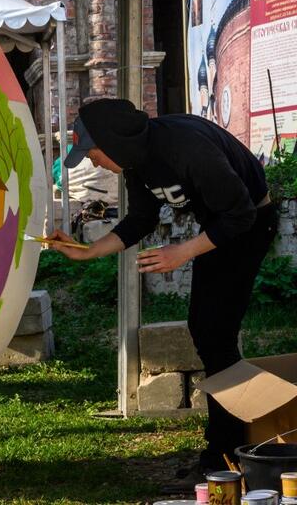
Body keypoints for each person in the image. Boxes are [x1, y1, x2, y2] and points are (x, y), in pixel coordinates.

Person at [48, 98, 277, 474]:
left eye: (92, 153)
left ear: (114, 142)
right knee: (206, 330)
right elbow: (140, 219)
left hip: (250, 223)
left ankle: (228, 451)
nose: (91, 162)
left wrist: (183, 252)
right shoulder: (136, 161)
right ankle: (227, 448)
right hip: (221, 226)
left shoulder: (186, 148)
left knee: (214, 333)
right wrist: (88, 251)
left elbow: (242, 214)